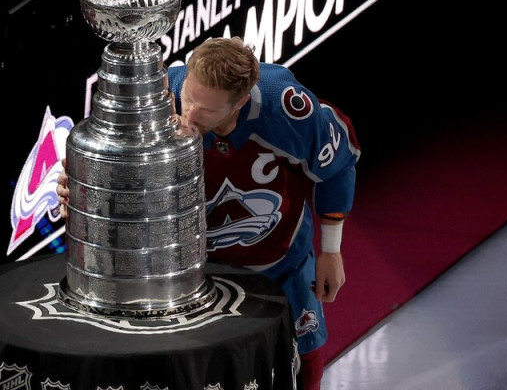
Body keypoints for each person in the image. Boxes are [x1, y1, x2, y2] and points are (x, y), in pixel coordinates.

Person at [57, 36, 360, 390]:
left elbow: (337, 166)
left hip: (279, 264)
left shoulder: (288, 109)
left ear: (241, 102)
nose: (189, 115)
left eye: (207, 110)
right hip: (185, 272)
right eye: (189, 96)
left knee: (302, 356)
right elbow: (105, 174)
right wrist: (80, 190)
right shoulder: (154, 97)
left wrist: (331, 251)